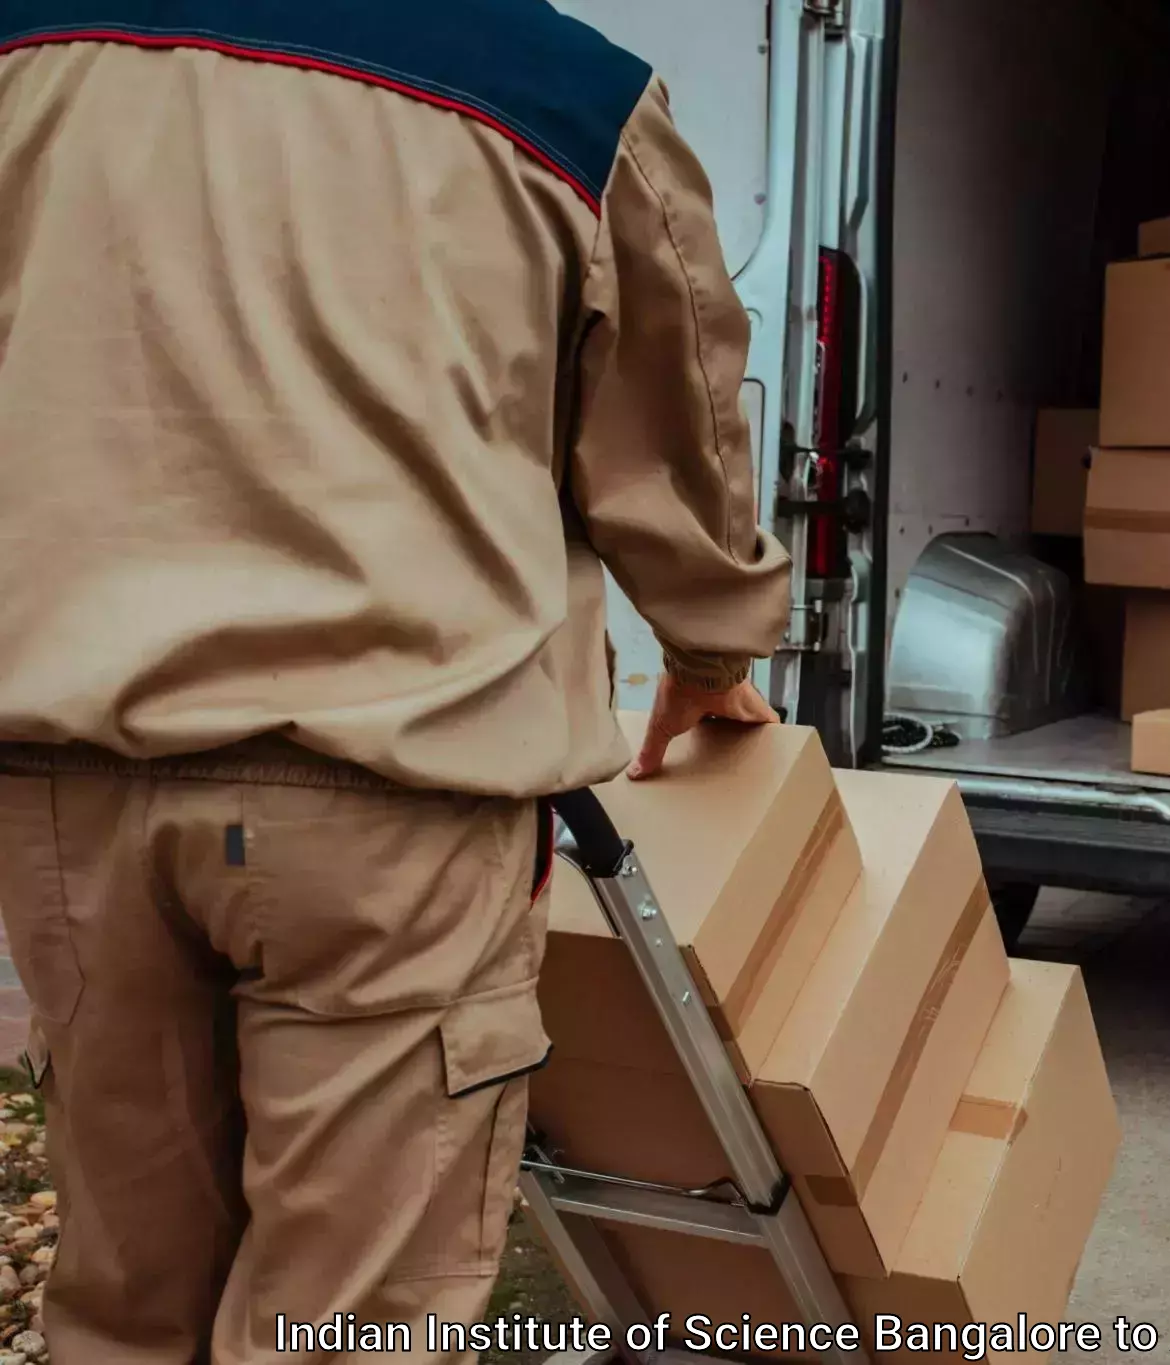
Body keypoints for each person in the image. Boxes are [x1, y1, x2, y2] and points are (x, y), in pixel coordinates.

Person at [0, 2, 791, 1360]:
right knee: (345, 1325)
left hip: (71, 795)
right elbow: (679, 427)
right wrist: (711, 648)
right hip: (390, 804)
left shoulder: (32, 50)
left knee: (125, 1304)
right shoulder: (566, 99)